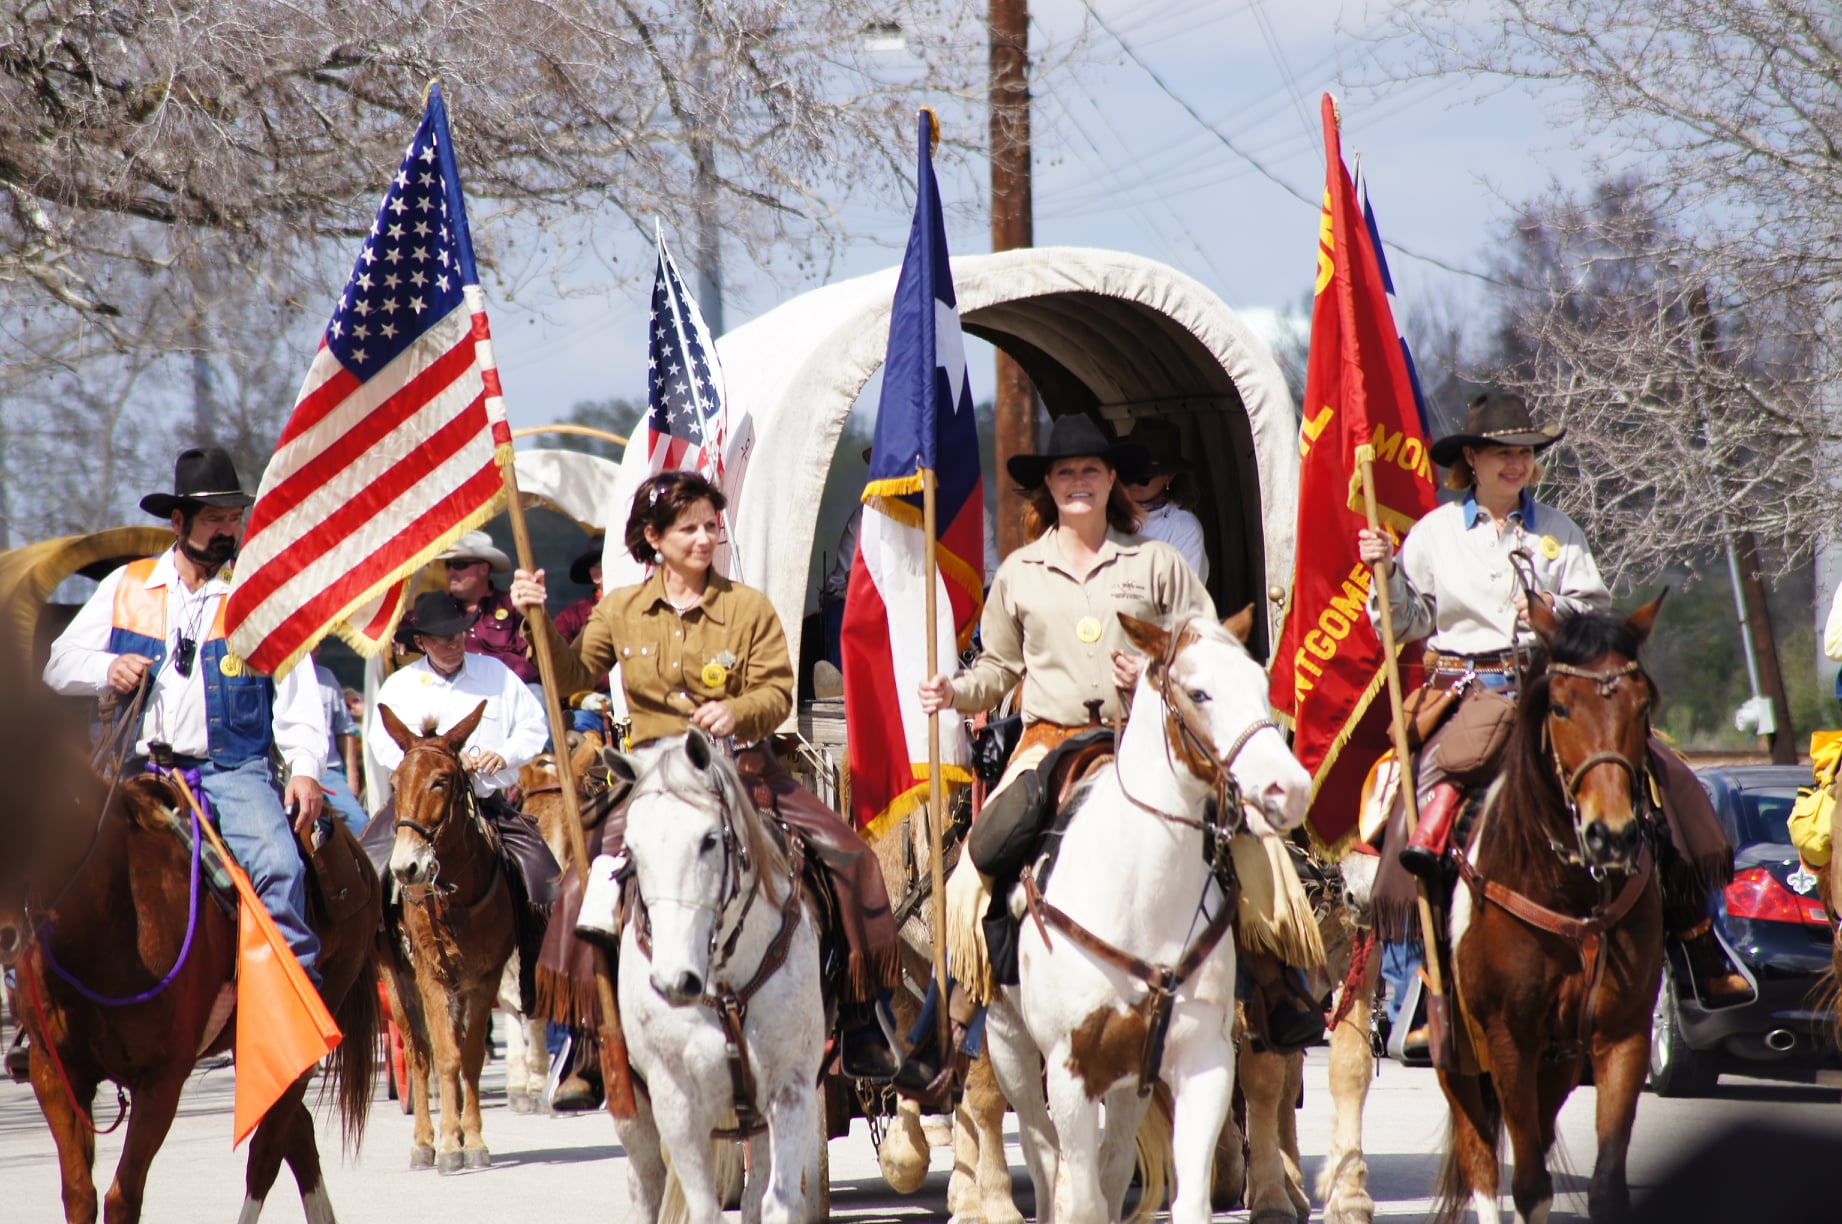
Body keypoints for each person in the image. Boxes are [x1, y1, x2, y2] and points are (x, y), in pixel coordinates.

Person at [905, 415, 1322, 1086]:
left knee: (1247, 837)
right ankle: (950, 1022)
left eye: (1091, 471)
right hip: (1050, 742)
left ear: (1111, 483)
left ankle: (1281, 989)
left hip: (1148, 739)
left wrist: (1152, 674)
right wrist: (953, 691)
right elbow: (999, 670)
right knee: (981, 854)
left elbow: (1205, 647)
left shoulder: (1155, 561)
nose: (1078, 482)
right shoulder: (1020, 572)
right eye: (1065, 472)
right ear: (1047, 484)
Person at [1356, 391, 1746, 1014]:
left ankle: (1698, 945)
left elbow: (1593, 614)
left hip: (1561, 690)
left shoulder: (1560, 532)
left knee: (1662, 780)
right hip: (1471, 692)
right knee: (1426, 803)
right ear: (1473, 461)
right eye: (1504, 453)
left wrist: (1554, 615)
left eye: (1525, 453)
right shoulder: (1433, 534)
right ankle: (1425, 990)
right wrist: (1387, 573)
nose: (1516, 464)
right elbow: (1403, 622)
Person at [510, 471, 904, 1080]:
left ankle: (861, 1017)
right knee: (576, 890)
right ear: (654, 537)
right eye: (688, 527)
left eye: (711, 526)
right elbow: (570, 679)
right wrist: (536, 620)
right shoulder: (619, 610)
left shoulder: (746, 607)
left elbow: (777, 691)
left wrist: (737, 709)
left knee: (852, 858)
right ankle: (589, 1043)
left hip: (743, 770)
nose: (703, 538)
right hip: (650, 780)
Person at [43, 446, 328, 986]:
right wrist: (109, 667)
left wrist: (307, 766)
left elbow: (297, 691)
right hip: (131, 771)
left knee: (279, 866)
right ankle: (45, 1006)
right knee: (53, 862)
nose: (228, 530)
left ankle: (290, 1008)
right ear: (179, 521)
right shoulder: (126, 586)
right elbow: (57, 665)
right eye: (215, 519)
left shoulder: (258, 596)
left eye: (234, 518)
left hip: (233, 771)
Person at [363, 590, 560, 1008]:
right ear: (421, 642)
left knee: (545, 881)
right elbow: (381, 742)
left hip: (485, 803)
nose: (453, 643)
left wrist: (502, 755)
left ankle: (535, 980)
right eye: (441, 637)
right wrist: (427, 764)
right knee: (366, 876)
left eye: (457, 634)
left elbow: (533, 727)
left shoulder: (498, 674)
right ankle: (380, 967)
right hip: (418, 810)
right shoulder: (400, 686)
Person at [438, 530, 541, 698]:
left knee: (537, 694)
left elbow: (531, 660)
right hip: (457, 692)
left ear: (483, 569)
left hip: (510, 688)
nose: (451, 572)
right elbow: (409, 628)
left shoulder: (514, 607)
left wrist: (498, 679)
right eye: (448, 565)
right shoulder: (438, 610)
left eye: (459, 565)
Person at [1122, 417, 1209, 582]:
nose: (1134, 481)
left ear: (1169, 476)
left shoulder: (1183, 528)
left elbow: (1184, 596)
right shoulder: (1103, 515)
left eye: (1144, 477)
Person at [553, 536, 611, 735]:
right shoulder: (571, 617)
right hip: (593, 700)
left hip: (642, 701)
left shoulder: (649, 608)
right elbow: (556, 669)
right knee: (580, 732)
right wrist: (578, 697)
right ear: (597, 575)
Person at [313, 654, 368, 835]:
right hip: (285, 771)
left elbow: (344, 729)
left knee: (359, 822)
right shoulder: (272, 677)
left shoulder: (326, 677)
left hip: (327, 773)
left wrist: (352, 778)